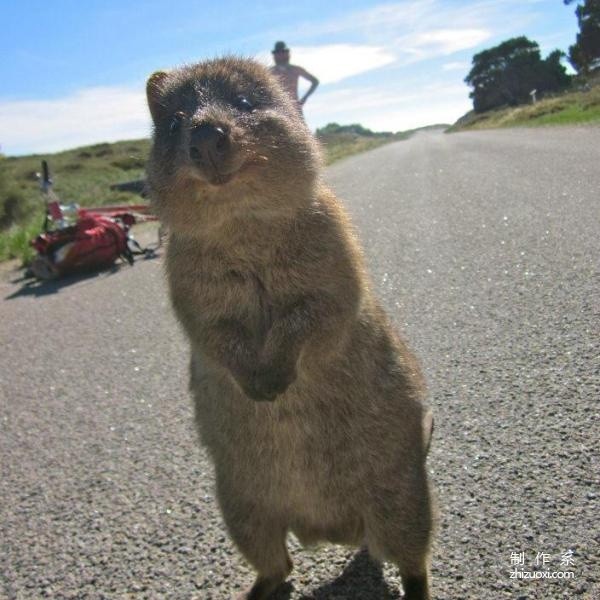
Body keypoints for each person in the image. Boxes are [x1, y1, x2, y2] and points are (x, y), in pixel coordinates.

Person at [269, 41, 319, 114]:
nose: (281, 54)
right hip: (277, 110)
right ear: (275, 55)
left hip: (295, 109)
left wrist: (304, 99)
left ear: (287, 53)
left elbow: (315, 81)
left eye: (283, 52)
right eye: (278, 52)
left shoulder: (296, 69)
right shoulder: (269, 72)